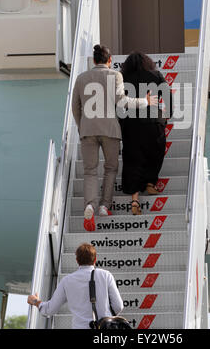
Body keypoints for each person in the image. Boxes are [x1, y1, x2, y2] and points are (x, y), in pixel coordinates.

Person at [72, 44, 157, 231]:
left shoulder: (81, 78)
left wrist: (82, 126)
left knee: (90, 171)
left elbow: (75, 107)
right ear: (110, 61)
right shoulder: (115, 75)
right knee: (111, 168)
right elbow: (122, 101)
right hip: (110, 129)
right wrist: (145, 101)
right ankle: (104, 206)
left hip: (88, 129)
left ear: (94, 60)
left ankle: (89, 205)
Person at [120, 51, 173, 215]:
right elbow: (168, 95)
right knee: (155, 152)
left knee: (133, 159)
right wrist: (166, 115)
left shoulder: (123, 77)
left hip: (130, 123)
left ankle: (134, 199)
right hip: (152, 122)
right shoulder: (155, 74)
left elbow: (119, 102)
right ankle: (151, 182)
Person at [27, 243, 124, 330]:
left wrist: (35, 301)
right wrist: (106, 317)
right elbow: (118, 306)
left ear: (77, 260)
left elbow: (49, 309)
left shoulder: (67, 281)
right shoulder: (106, 275)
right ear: (95, 259)